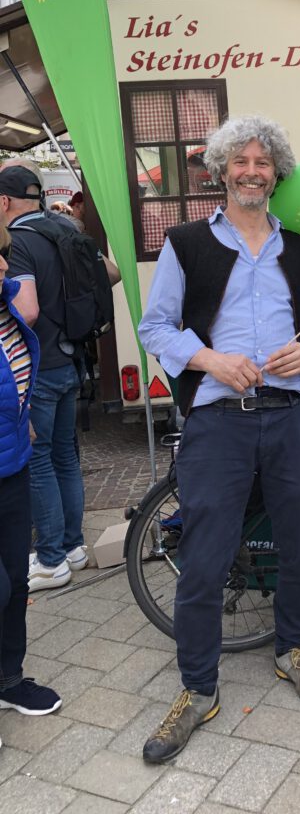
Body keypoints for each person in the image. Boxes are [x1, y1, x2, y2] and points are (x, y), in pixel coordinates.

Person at [138, 114, 300, 764]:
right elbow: (156, 325)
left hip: (292, 416)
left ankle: (292, 649)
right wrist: (210, 360)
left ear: (277, 173)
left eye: (263, 162)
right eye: (240, 161)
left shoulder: (298, 248)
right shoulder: (188, 241)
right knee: (203, 560)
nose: (252, 171)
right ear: (221, 171)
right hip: (219, 419)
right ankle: (198, 690)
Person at [0, 166, 89, 592]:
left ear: (3, 202)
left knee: (38, 462)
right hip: (72, 360)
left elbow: (29, 309)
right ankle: (73, 546)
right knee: (65, 458)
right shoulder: (63, 227)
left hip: (39, 368)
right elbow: (109, 273)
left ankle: (52, 559)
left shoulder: (17, 240)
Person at [0, 224, 62, 724]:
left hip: (12, 464)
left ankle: (8, 679)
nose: (5, 267)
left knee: (16, 580)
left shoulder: (5, 308)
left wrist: (22, 426)